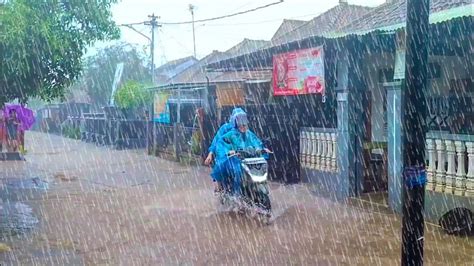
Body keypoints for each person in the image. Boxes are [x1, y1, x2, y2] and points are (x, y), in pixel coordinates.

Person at [213, 111, 270, 197]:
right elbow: (221, 144)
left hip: (248, 160)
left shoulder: (249, 134)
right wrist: (228, 151)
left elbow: (257, 143)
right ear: (236, 124)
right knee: (237, 171)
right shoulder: (230, 134)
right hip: (235, 160)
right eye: (240, 124)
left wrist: (262, 149)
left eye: (244, 124)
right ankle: (236, 194)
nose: (243, 126)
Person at [204, 107, 246, 192]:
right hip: (226, 155)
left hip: (240, 156)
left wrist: (261, 148)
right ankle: (220, 184)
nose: (241, 121)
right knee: (221, 166)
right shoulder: (225, 128)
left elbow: (252, 140)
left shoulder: (244, 129)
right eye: (239, 118)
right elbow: (217, 141)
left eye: (242, 118)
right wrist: (210, 154)